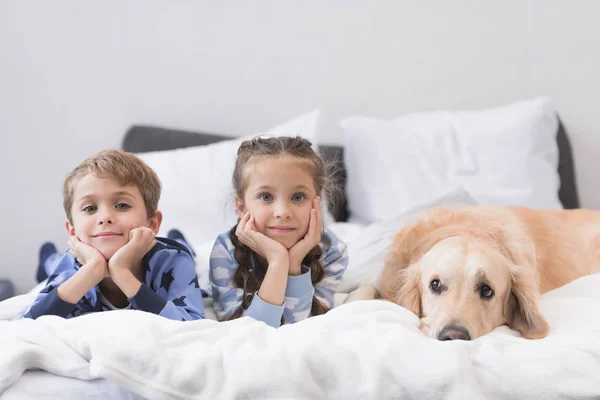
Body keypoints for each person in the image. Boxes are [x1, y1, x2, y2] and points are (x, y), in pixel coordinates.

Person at [18, 150, 205, 321]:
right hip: (69, 259)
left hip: (169, 247)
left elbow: (192, 323)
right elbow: (21, 325)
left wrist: (121, 272)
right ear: (72, 230)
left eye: (122, 205)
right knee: (54, 263)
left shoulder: (173, 259)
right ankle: (47, 259)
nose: (105, 217)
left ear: (152, 223)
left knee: (184, 249)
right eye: (90, 208)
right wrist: (91, 271)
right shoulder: (71, 266)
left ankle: (178, 238)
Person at [208, 136, 349, 328]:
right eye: (266, 196)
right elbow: (249, 332)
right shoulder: (226, 249)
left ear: (317, 202)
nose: (283, 212)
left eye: (298, 197)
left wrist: (293, 266)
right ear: (241, 207)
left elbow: (299, 328)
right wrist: (278, 260)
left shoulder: (332, 250)